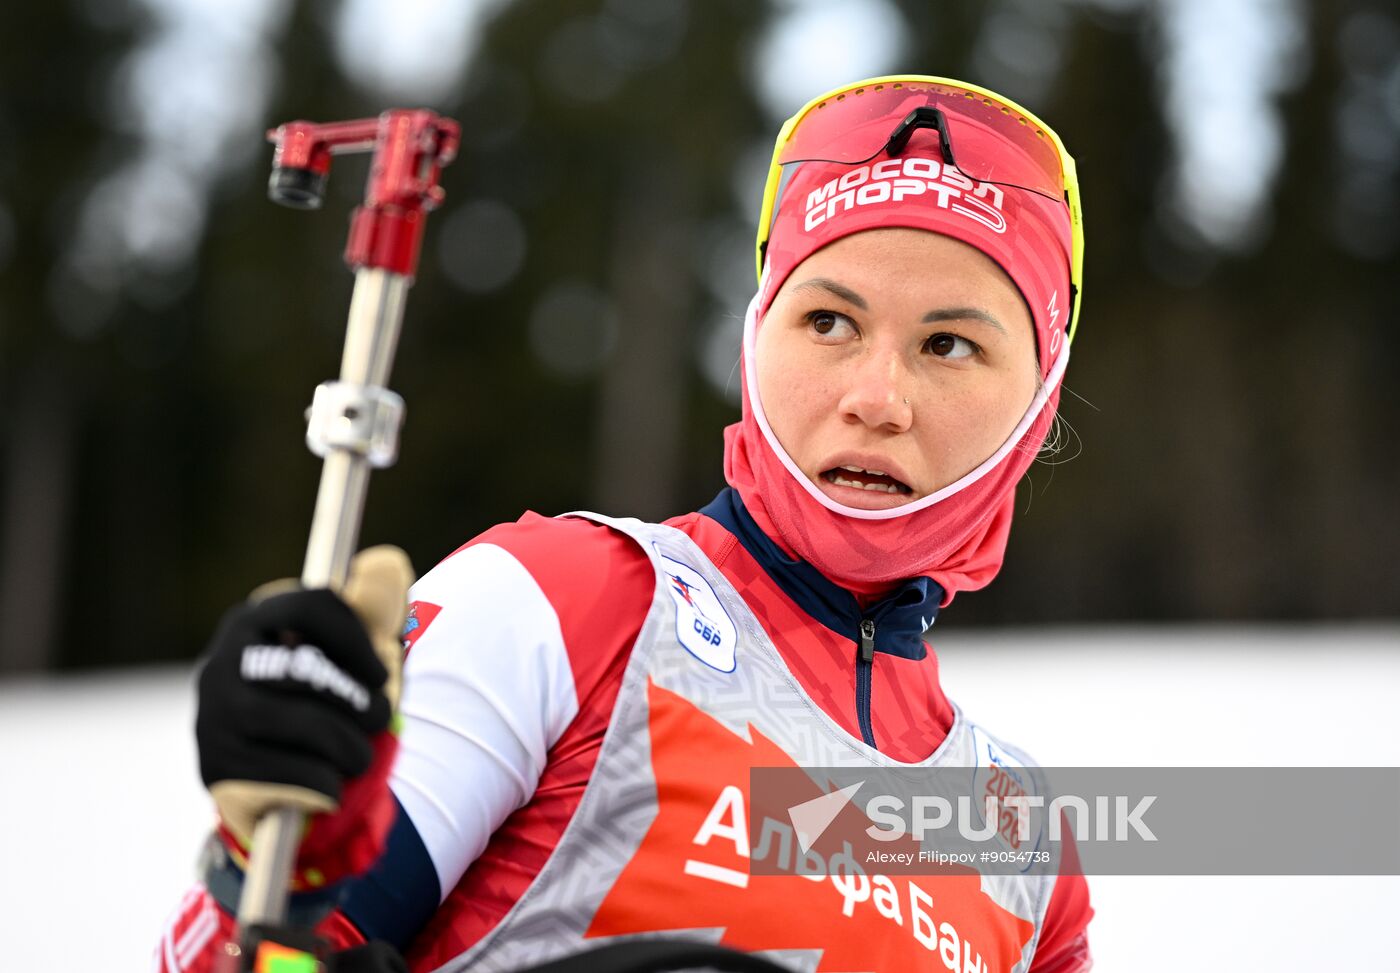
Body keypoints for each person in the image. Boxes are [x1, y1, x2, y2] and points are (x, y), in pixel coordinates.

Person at [159, 75, 1093, 973]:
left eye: (950, 344)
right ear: (756, 336)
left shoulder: (1018, 842)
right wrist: (277, 871)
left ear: (1038, 405)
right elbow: (257, 963)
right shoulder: (572, 601)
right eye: (828, 321)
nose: (877, 397)